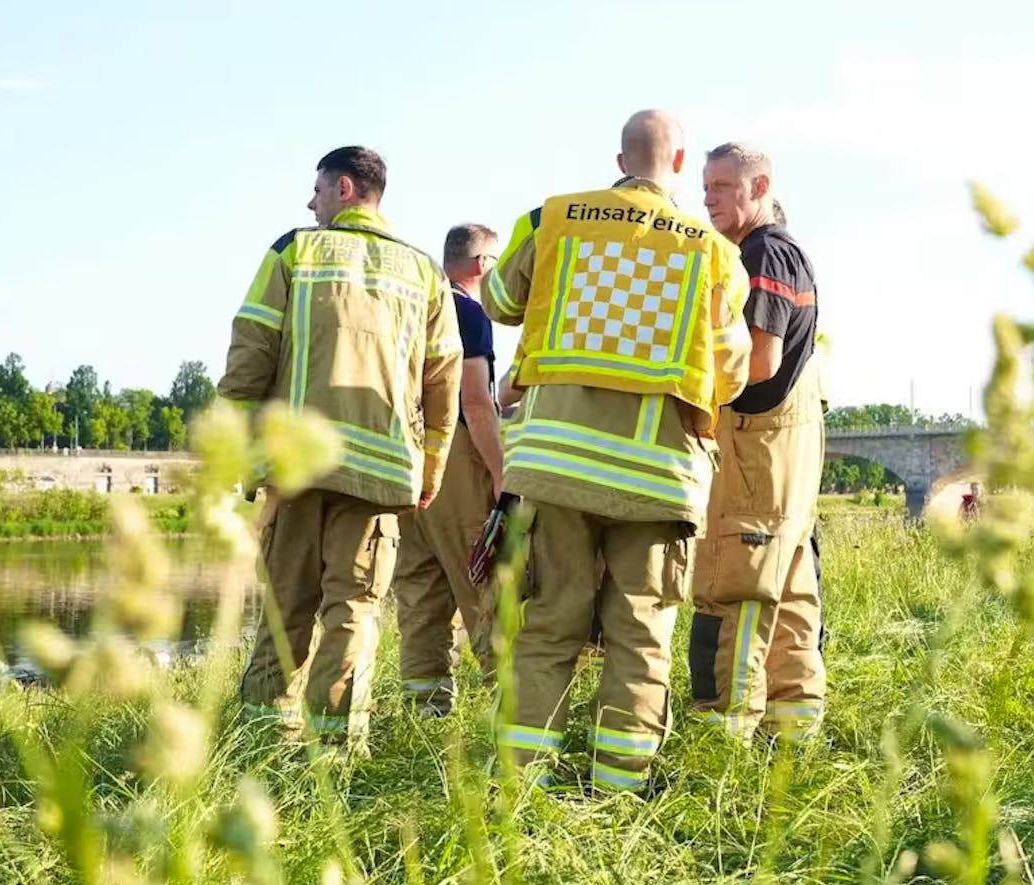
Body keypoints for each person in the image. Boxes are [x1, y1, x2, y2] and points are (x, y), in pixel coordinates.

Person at [483, 109, 751, 792]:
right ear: (682, 164)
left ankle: (523, 785)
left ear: (619, 158)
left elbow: (498, 299)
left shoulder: (554, 218)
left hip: (555, 464)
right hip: (655, 477)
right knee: (641, 633)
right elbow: (732, 370)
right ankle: (619, 792)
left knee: (546, 626)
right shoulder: (713, 252)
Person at [222, 146, 462, 743]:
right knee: (353, 611)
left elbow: (251, 352)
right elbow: (443, 381)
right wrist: (430, 470)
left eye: (319, 189)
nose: (311, 201)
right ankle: (336, 748)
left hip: (295, 467)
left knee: (284, 608)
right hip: (379, 476)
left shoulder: (294, 251)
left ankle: (264, 741)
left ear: (347, 189)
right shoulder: (426, 271)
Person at [689, 142, 826, 741]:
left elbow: (761, 360)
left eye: (721, 185)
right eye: (705, 184)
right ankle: (793, 734)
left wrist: (686, 387)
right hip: (783, 454)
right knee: (790, 594)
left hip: (753, 452)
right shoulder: (784, 251)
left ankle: (727, 738)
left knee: (733, 591)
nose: (707, 196)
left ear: (759, 185)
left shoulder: (762, 253)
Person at [391, 224, 505, 717]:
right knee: (482, 582)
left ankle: (426, 712)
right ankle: (510, 705)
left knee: (419, 592)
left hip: (403, 455)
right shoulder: (469, 312)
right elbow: (476, 402)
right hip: (454, 453)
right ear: (481, 264)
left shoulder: (412, 304)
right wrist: (502, 475)